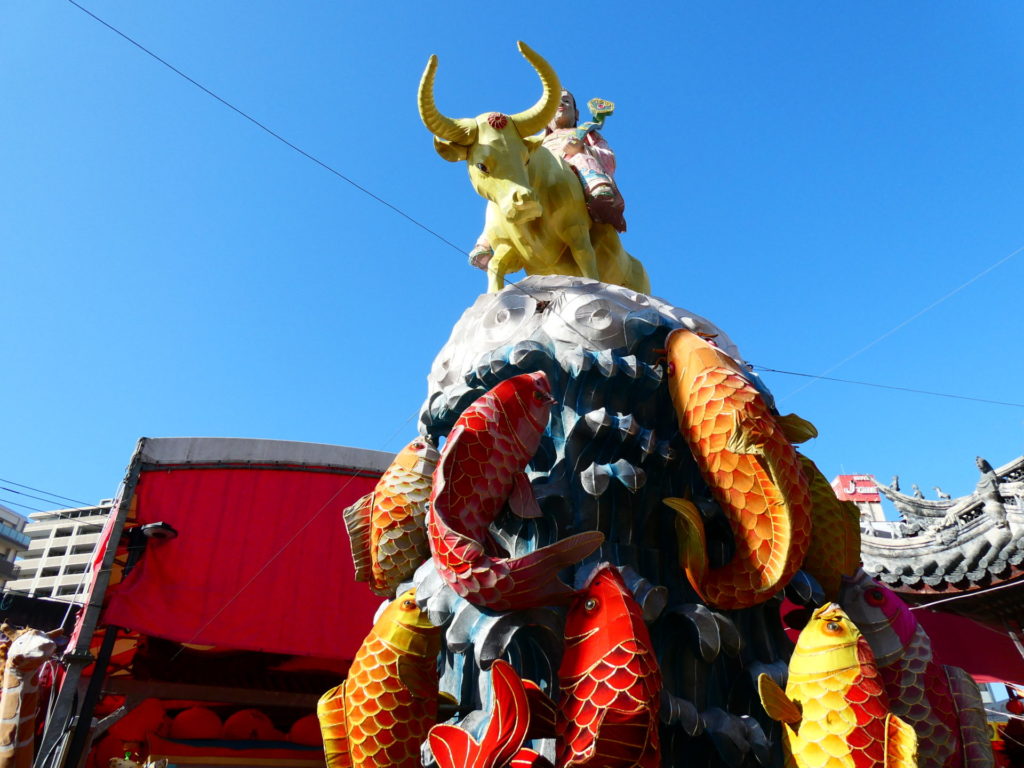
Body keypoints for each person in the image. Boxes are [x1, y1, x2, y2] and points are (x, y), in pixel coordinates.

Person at [543, 90, 626, 232]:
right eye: (554, 103)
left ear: (577, 114)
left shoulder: (588, 134)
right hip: (544, 177)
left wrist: (582, 149)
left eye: (566, 101)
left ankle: (598, 192)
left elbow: (609, 157)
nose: (561, 103)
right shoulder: (538, 142)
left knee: (581, 158)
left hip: (574, 176)